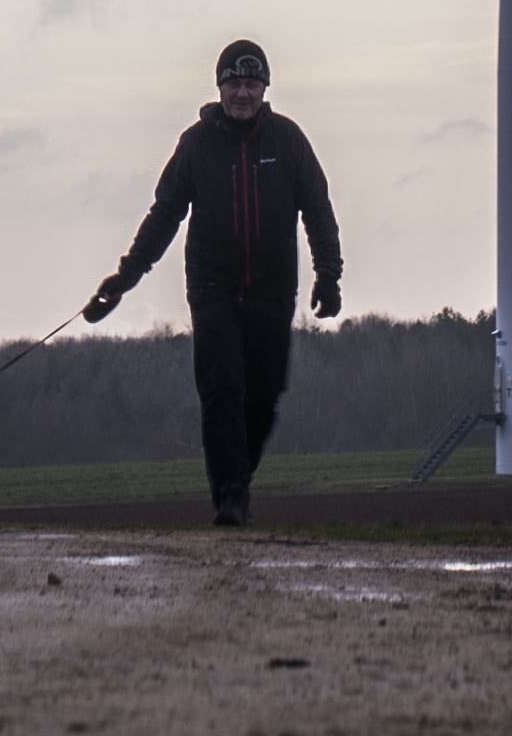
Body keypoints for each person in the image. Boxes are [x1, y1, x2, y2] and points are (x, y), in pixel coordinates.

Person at [85, 38, 341, 525]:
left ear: (265, 89)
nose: (242, 93)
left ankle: (236, 478)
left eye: (251, 84)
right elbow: (164, 216)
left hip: (272, 289)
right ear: (219, 88)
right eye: (234, 84)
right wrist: (124, 278)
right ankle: (231, 495)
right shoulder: (196, 145)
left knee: (264, 397)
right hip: (212, 289)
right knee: (222, 390)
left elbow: (319, 210)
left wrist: (329, 274)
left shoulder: (288, 141)